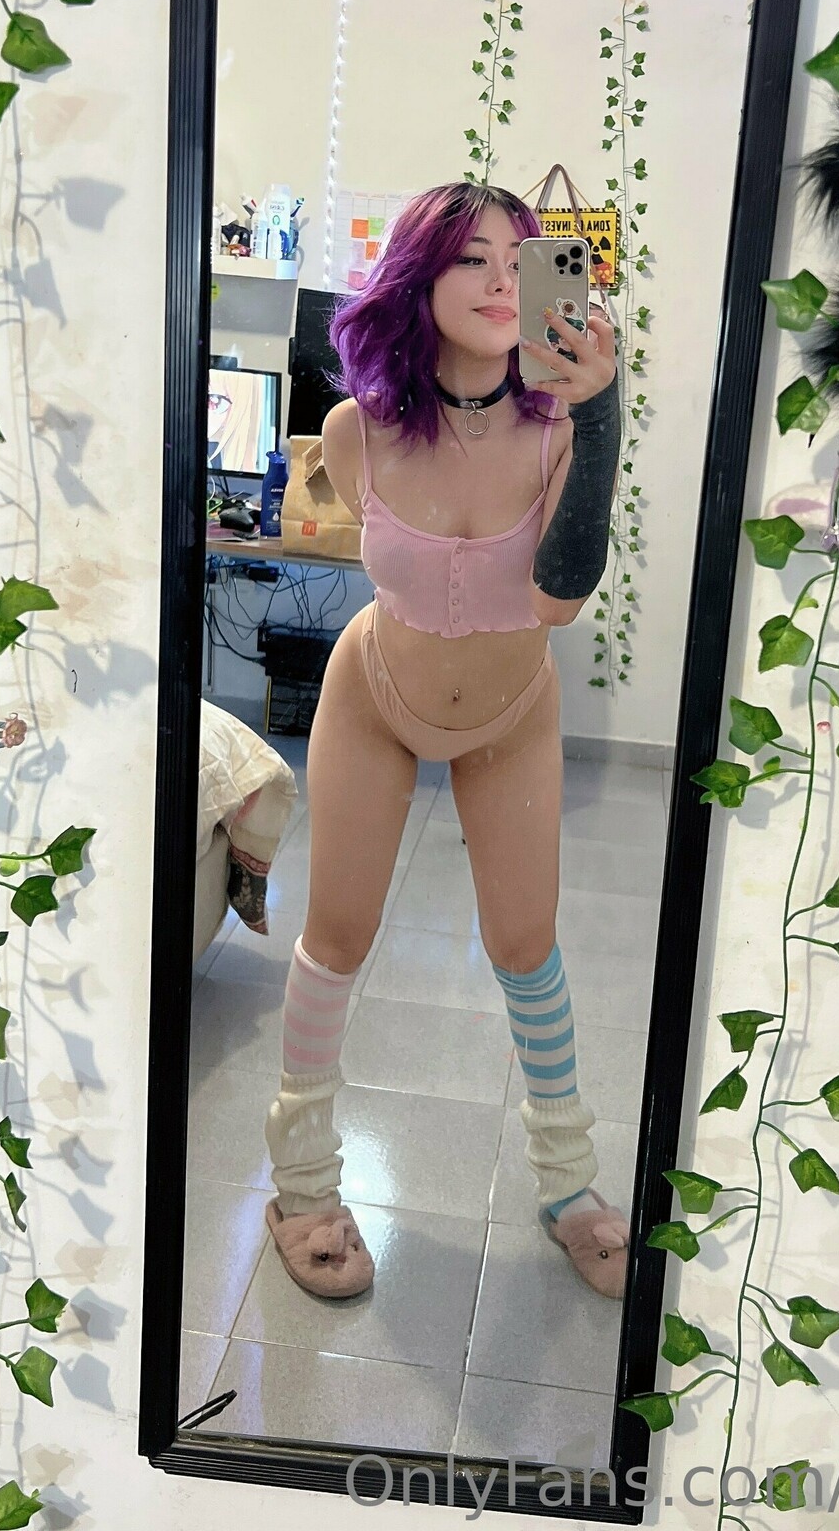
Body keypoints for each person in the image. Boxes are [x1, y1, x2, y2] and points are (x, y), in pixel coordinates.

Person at [260, 180, 629, 1303]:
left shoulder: (560, 432)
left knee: (526, 944)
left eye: (523, 259)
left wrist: (603, 411)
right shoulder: (356, 431)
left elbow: (559, 598)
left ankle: (567, 1184)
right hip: (376, 694)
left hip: (513, 711)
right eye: (473, 258)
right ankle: (301, 1185)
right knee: (337, 935)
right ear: (419, 278)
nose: (504, 280)